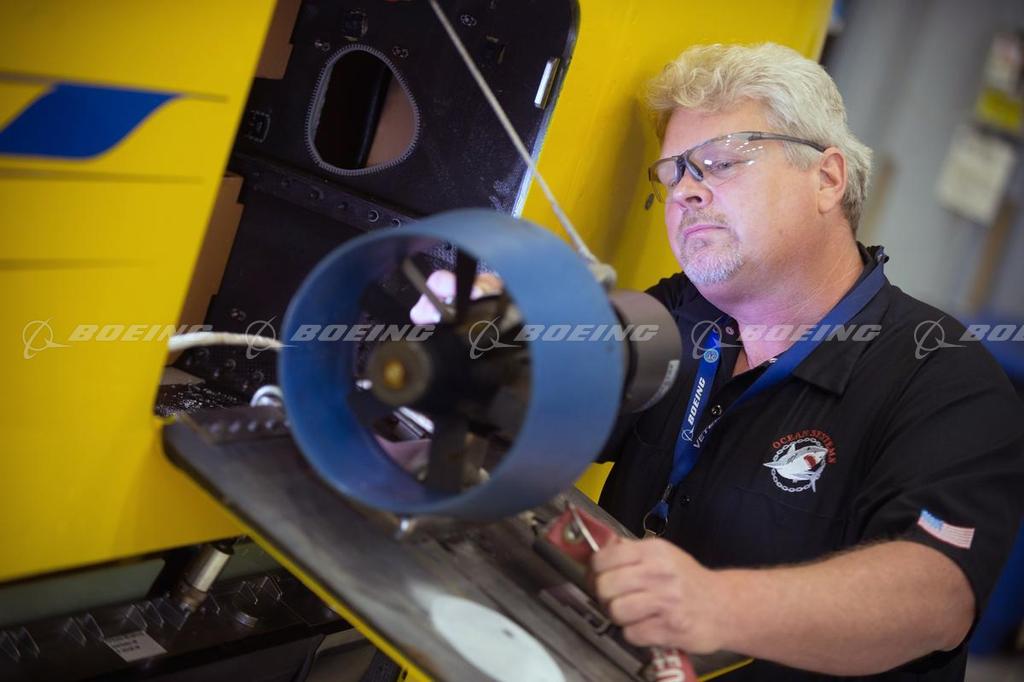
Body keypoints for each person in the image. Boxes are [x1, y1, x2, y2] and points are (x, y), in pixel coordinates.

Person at [589, 42, 1024, 680]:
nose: (686, 193)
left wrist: (716, 606)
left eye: (720, 162)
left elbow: (935, 598)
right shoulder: (681, 310)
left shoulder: (947, 377)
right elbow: (551, 400)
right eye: (674, 174)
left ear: (827, 179)